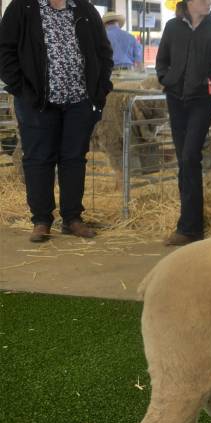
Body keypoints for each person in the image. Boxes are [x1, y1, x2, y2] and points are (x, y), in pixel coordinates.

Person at [0, 0, 113, 243]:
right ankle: (41, 220)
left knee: (74, 158)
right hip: (37, 101)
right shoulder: (23, 7)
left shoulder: (84, 8)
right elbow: (4, 50)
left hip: (80, 100)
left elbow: (103, 51)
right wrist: (22, 88)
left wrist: (101, 88)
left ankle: (72, 218)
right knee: (38, 158)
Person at [156, 0, 211, 246]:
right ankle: (189, 225)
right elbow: (162, 59)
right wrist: (166, 79)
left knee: (189, 156)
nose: (209, 2)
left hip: (202, 100)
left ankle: (190, 227)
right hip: (176, 98)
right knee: (184, 160)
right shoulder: (172, 27)